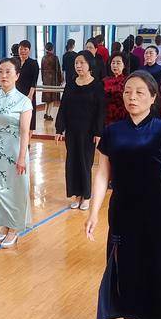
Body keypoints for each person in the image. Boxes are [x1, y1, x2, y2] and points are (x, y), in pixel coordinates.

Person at [86, 71, 161, 319]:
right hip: (122, 210)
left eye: (140, 92)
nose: (132, 97)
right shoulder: (113, 131)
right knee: (124, 266)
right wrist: (93, 211)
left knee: (152, 267)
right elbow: (102, 174)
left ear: (154, 97)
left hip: (155, 211)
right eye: (128, 91)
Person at [0, 58, 33, 248]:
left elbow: (25, 132)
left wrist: (22, 157)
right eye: (0, 71)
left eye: (8, 72)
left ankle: (14, 227)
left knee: (15, 190)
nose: (3, 75)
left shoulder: (24, 101)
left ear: (17, 75)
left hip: (15, 151)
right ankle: (4, 223)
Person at [56, 51, 104, 210]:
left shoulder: (97, 85)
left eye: (82, 63)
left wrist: (98, 132)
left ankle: (87, 196)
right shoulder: (71, 83)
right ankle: (76, 194)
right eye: (76, 63)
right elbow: (63, 107)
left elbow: (100, 110)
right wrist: (59, 128)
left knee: (85, 163)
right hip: (72, 130)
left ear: (90, 64)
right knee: (72, 162)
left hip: (88, 132)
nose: (78, 66)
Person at [15, 39, 40, 132]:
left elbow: (34, 81)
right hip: (16, 94)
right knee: (16, 118)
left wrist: (30, 96)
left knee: (29, 119)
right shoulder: (15, 62)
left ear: (29, 50)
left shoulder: (33, 63)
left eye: (25, 49)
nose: (23, 51)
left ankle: (27, 140)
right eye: (21, 49)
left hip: (28, 94)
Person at [140, 45, 161, 119]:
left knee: (156, 121)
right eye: (146, 53)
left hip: (157, 100)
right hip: (143, 100)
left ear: (156, 56)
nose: (148, 55)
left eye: (151, 53)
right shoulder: (140, 70)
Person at [103, 53, 129, 126]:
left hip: (123, 116)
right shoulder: (104, 81)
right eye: (113, 63)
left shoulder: (128, 81)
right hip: (106, 116)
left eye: (118, 63)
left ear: (124, 65)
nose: (115, 65)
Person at [40, 41, 63, 122]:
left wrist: (43, 80)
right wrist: (60, 80)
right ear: (52, 49)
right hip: (53, 80)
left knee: (47, 99)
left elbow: (42, 71)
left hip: (46, 80)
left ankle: (46, 113)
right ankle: (48, 114)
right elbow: (58, 70)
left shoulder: (43, 58)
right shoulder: (55, 58)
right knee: (52, 100)